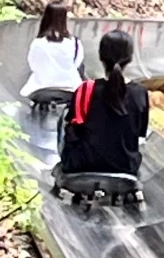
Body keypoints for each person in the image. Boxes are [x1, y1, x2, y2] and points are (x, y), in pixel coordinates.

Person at [58, 30, 149, 177]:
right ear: (130, 58)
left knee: (63, 119)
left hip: (80, 164)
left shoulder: (85, 89)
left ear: (101, 56)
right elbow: (140, 134)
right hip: (125, 166)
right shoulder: (140, 93)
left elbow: (70, 126)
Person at [21, 2, 85, 98]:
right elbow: (76, 64)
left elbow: (33, 65)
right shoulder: (75, 43)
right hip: (71, 89)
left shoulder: (38, 43)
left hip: (41, 89)